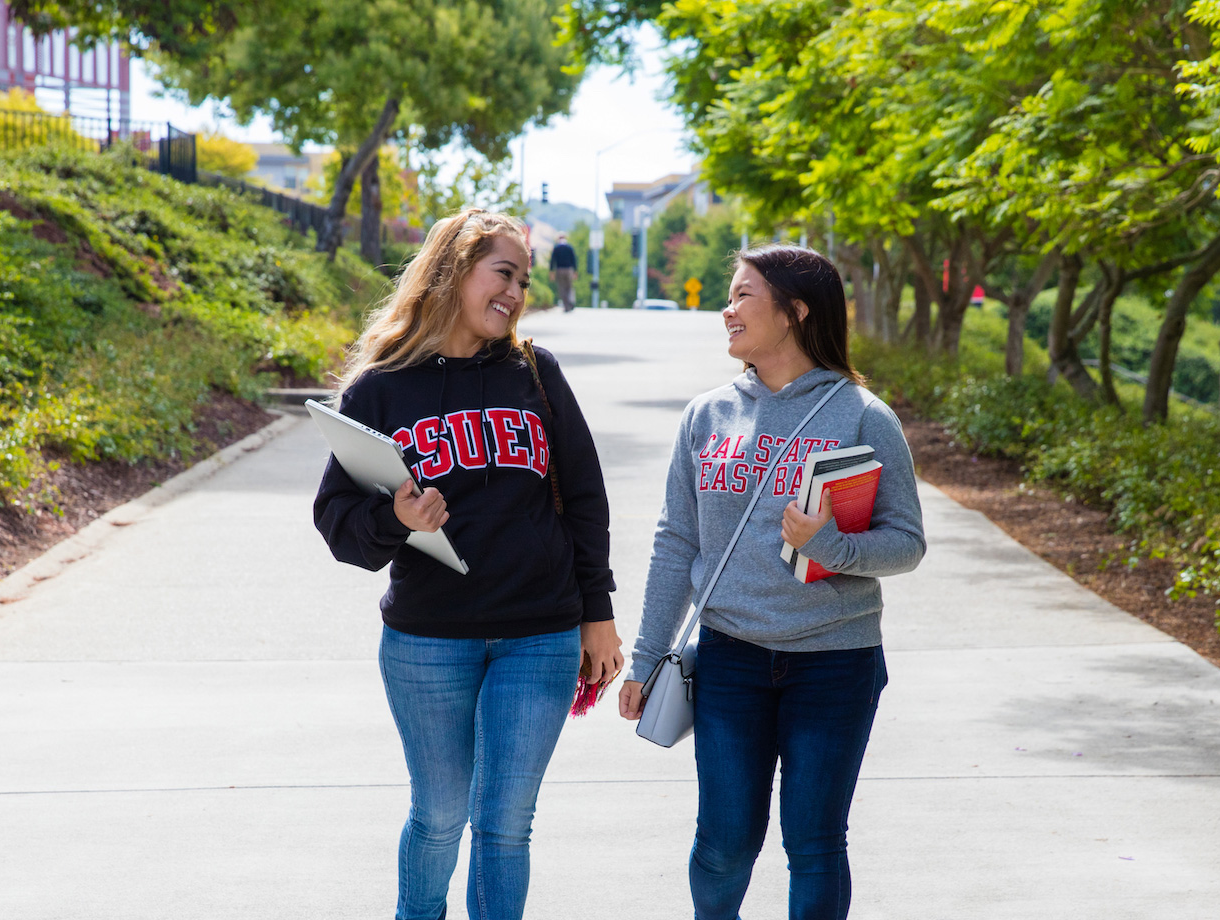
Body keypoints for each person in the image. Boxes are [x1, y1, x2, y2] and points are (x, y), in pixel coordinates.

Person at [314, 207, 623, 920]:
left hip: (540, 633)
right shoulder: (380, 389)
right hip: (428, 639)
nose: (516, 292)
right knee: (440, 813)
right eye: (503, 273)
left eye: (524, 279)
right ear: (454, 271)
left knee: (506, 823)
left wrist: (598, 614)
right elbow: (336, 524)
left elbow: (583, 497)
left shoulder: (534, 374)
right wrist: (394, 518)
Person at [618, 244, 925, 920]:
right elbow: (676, 542)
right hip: (730, 659)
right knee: (724, 843)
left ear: (794, 311)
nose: (727, 310)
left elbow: (906, 543)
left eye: (742, 295)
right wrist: (645, 659)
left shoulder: (865, 417)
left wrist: (832, 546)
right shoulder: (707, 416)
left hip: (835, 664)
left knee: (814, 844)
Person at [549, 233, 579, 312]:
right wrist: (575, 271)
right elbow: (574, 259)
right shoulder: (569, 247)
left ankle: (566, 306)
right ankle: (571, 301)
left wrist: (551, 272)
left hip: (559, 270)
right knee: (569, 287)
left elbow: (552, 261)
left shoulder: (556, 248)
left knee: (562, 288)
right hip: (569, 269)